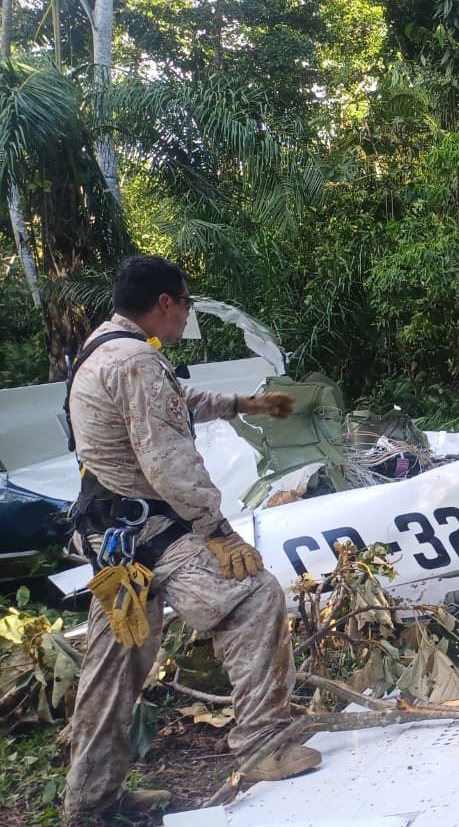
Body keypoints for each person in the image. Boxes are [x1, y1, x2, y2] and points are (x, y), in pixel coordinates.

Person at [63, 256, 320, 821]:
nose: (186, 314)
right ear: (164, 303)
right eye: (186, 303)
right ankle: (261, 745)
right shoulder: (135, 362)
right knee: (254, 596)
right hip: (150, 532)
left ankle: (91, 804)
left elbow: (172, 403)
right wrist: (219, 532)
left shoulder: (103, 348)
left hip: (113, 536)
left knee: (116, 664)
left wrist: (243, 404)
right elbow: (168, 460)